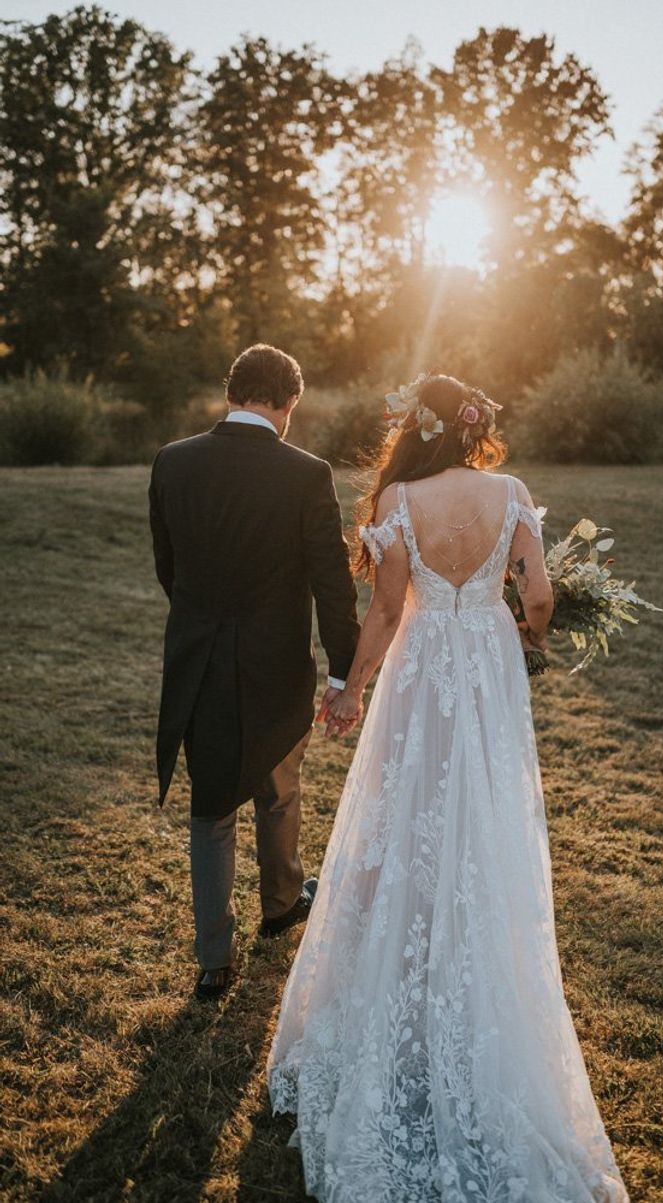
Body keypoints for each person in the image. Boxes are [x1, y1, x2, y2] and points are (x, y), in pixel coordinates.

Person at [267, 373, 629, 1202]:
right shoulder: (511, 492)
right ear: (476, 427)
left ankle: (402, 968)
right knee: (486, 814)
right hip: (490, 669)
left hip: (422, 672)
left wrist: (352, 687)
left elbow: (388, 611)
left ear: (418, 428)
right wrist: (529, 638)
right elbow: (536, 593)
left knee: (404, 814)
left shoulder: (398, 495)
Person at [148, 343, 359, 1000]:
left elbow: (168, 567)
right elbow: (332, 583)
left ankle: (215, 959)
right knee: (278, 786)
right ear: (287, 402)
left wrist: (203, 617)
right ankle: (280, 902)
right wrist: (340, 672)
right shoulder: (307, 472)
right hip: (277, 665)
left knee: (210, 807)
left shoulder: (172, 461)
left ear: (234, 391)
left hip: (200, 662)